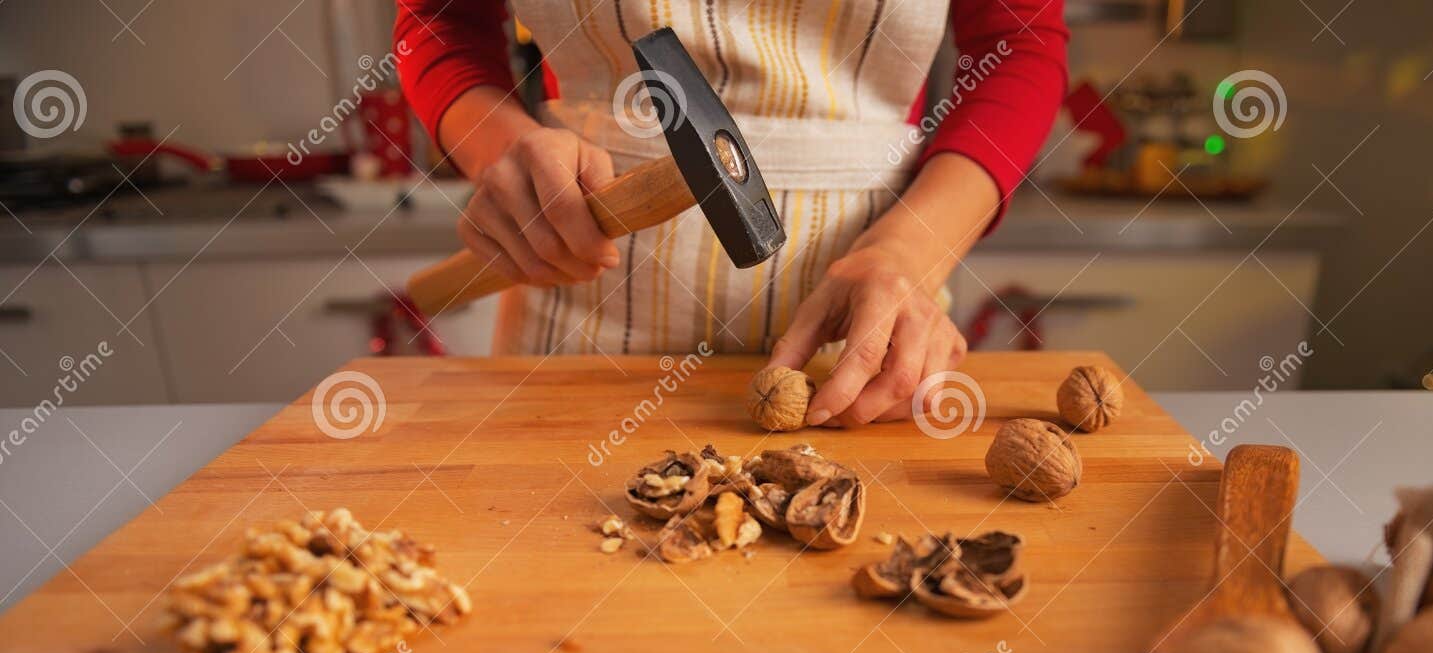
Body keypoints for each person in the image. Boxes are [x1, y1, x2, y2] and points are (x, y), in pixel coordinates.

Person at [395, 1, 1067, 426]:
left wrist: (911, 251)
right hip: (574, 318)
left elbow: (1021, 42)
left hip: (871, 328)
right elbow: (440, 19)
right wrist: (501, 150)